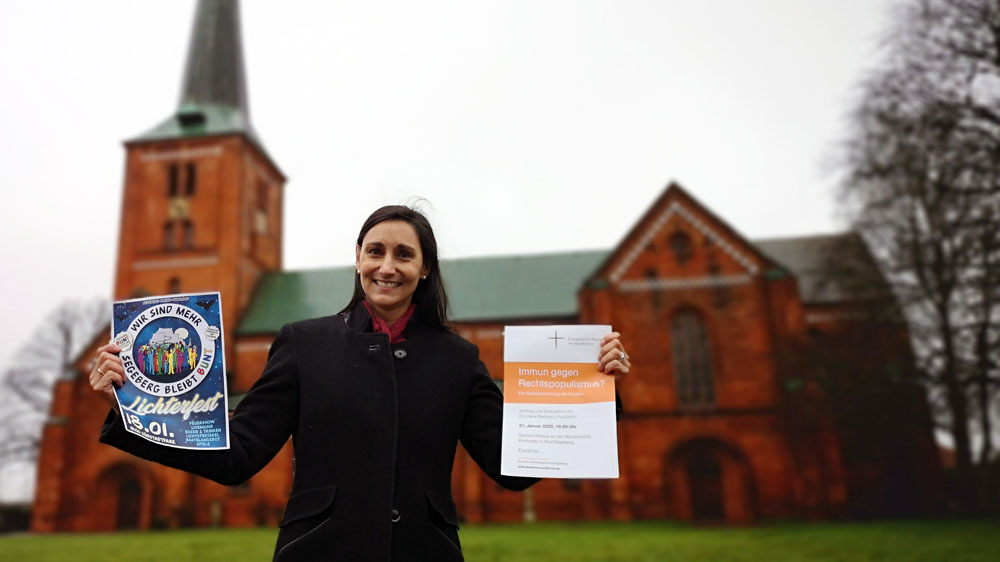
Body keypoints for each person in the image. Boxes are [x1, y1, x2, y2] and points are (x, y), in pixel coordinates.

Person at [90, 205, 631, 562]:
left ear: (424, 270)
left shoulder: (458, 358)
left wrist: (595, 394)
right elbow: (240, 454)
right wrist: (132, 406)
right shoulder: (304, 343)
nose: (386, 266)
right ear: (357, 261)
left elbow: (508, 465)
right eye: (375, 251)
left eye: (403, 254)